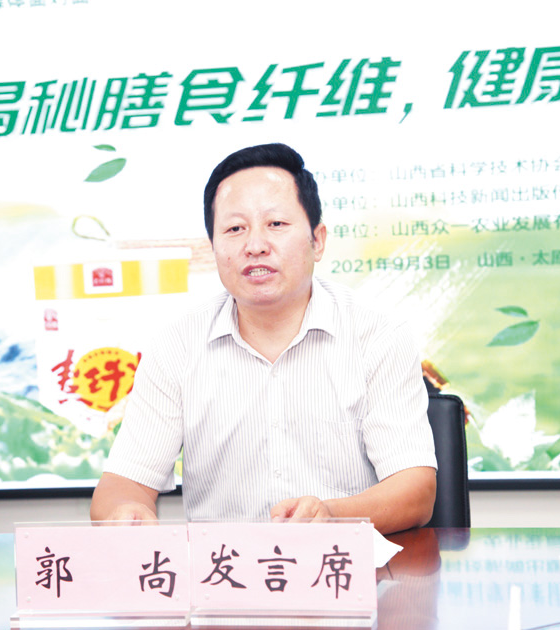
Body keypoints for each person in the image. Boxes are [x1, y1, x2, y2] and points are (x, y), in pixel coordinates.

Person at [90, 143, 437, 534]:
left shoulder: (377, 337)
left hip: (344, 566)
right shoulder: (177, 346)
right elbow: (122, 485)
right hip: (223, 569)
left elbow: (415, 492)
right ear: (213, 248)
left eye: (276, 224)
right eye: (235, 229)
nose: (255, 246)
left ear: (318, 240)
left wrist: (330, 515)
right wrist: (126, 511)